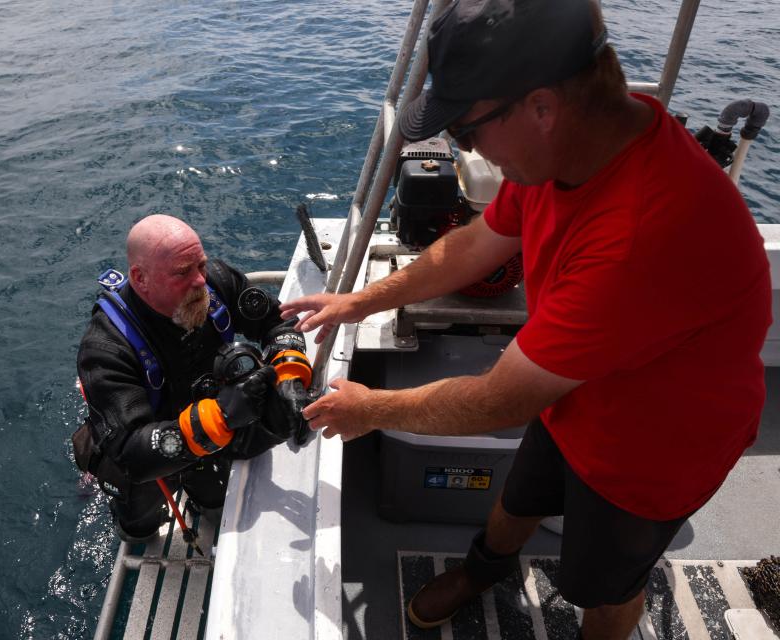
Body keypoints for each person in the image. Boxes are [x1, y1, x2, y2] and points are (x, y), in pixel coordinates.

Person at [280, 1, 772, 638]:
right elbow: (482, 240)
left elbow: (501, 400)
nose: (465, 148)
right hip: (575, 396)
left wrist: (371, 410)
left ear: (541, 107)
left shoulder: (644, 231)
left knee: (604, 588)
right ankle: (483, 570)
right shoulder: (570, 149)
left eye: (467, 130)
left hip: (650, 455)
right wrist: (363, 300)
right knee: (519, 498)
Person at [75, 214, 309, 542]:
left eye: (200, 264)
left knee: (214, 497)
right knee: (137, 521)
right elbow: (129, 451)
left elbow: (278, 321)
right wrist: (220, 416)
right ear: (140, 279)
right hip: (154, 441)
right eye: (183, 273)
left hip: (215, 421)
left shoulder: (216, 282)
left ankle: (208, 509)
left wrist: (290, 376)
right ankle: (134, 529)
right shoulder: (104, 348)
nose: (200, 281)